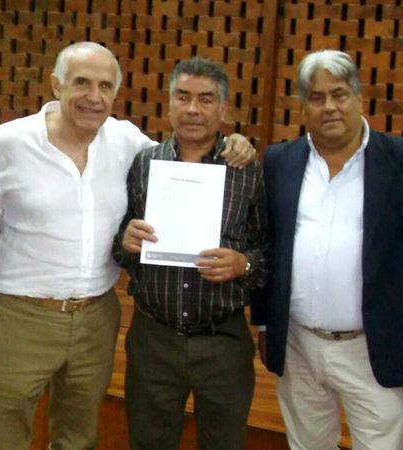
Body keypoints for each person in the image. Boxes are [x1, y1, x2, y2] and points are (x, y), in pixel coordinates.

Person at [0, 43, 256, 450]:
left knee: (78, 437)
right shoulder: (12, 140)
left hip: (96, 317)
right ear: (56, 85)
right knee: (5, 435)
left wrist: (237, 142)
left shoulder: (128, 143)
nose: (94, 96)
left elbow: (184, 155)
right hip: (22, 316)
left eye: (105, 86)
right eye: (82, 83)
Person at [252, 49, 403, 450]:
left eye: (339, 94)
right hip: (298, 343)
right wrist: (266, 324)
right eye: (316, 97)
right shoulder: (279, 161)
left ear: (358, 97)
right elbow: (267, 244)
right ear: (302, 107)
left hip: (370, 348)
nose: (329, 107)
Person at [113, 56, 268, 450]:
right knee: (148, 443)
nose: (193, 109)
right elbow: (121, 246)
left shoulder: (246, 169)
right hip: (153, 339)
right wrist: (125, 241)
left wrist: (244, 263)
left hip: (223, 342)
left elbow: (267, 253)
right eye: (183, 97)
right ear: (169, 103)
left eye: (206, 99)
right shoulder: (144, 164)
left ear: (223, 108)